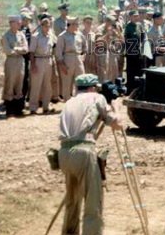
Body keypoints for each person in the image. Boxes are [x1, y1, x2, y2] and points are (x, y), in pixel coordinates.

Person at [58, 74, 122, 235]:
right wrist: (116, 107)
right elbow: (117, 124)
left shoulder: (69, 102)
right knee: (93, 205)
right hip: (84, 152)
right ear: (92, 87)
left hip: (64, 153)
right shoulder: (96, 98)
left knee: (72, 201)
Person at [2, 15, 28, 115]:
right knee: (10, 83)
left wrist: (17, 49)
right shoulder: (6, 35)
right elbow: (8, 51)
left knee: (19, 83)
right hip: (11, 61)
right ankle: (9, 108)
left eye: (19, 22)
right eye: (17, 22)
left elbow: (26, 49)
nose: (19, 24)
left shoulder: (21, 34)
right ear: (11, 23)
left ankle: (19, 108)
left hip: (20, 61)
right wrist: (19, 50)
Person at [55, 17, 86, 101]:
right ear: (70, 25)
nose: (77, 26)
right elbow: (58, 52)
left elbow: (85, 48)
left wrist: (82, 57)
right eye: (76, 24)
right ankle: (67, 101)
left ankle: (79, 100)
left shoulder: (79, 35)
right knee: (67, 82)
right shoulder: (62, 36)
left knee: (81, 80)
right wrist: (62, 65)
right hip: (67, 58)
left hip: (78, 58)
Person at [28, 17, 54, 114]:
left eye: (49, 26)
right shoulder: (35, 36)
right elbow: (31, 52)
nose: (47, 28)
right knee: (36, 85)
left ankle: (46, 106)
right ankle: (33, 107)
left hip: (48, 60)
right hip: (38, 60)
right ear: (41, 26)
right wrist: (33, 65)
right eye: (46, 26)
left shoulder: (50, 36)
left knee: (47, 85)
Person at [124, 10, 145, 91]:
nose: (136, 18)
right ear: (130, 17)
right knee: (130, 71)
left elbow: (143, 36)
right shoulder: (128, 27)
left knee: (139, 70)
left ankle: (138, 87)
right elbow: (126, 39)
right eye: (134, 16)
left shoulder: (139, 25)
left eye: (137, 16)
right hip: (131, 52)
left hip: (139, 52)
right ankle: (130, 87)